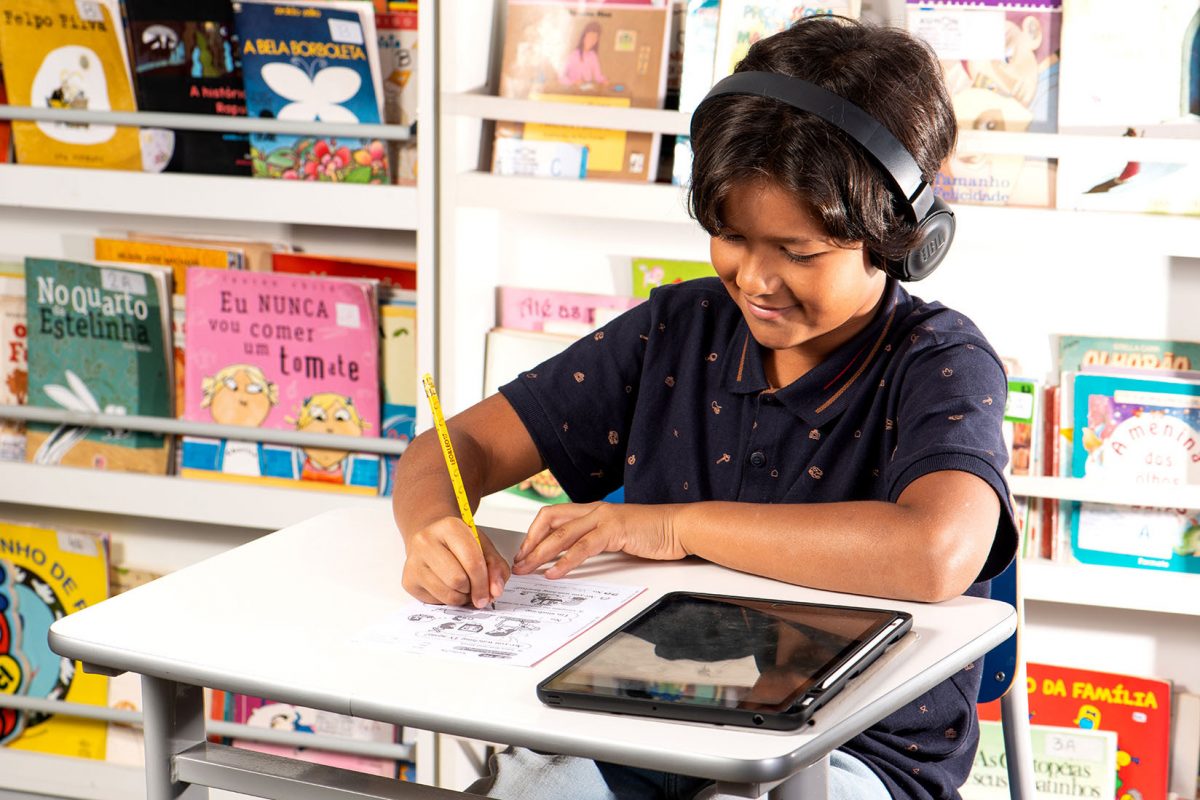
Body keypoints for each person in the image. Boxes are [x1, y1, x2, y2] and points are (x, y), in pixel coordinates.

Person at [393, 15, 1017, 800]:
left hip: (856, 745)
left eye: (798, 253)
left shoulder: (941, 363)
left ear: (901, 237)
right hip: (641, 720)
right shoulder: (676, 331)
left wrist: (676, 526)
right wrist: (433, 528)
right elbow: (450, 450)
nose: (755, 278)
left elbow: (935, 553)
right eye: (730, 234)